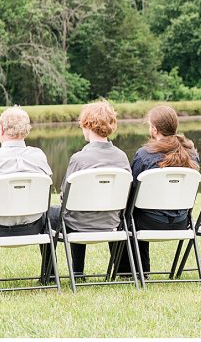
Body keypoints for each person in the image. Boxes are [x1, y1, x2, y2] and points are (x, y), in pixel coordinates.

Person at [43, 100, 131, 280]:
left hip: (78, 223)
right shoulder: (122, 157)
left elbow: (65, 197)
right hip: (112, 221)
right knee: (75, 210)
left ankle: (54, 274)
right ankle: (124, 272)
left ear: (88, 125)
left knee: (49, 215)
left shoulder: (79, 159)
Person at [0, 106, 52, 282]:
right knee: (50, 214)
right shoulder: (39, 156)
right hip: (34, 223)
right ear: (27, 130)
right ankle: (49, 273)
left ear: (1, 128)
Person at [116, 104, 200, 277]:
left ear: (154, 129)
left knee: (126, 215)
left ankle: (132, 271)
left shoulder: (144, 155)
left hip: (148, 223)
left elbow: (131, 194)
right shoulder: (192, 154)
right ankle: (138, 269)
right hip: (182, 222)